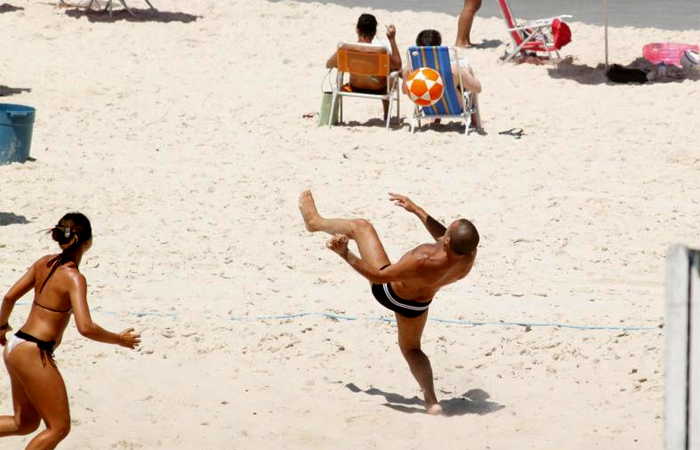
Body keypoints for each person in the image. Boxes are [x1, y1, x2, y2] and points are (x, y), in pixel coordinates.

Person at [299, 190, 479, 415]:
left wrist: (346, 254)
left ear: (448, 240)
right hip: (417, 306)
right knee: (412, 349)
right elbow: (446, 237)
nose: (443, 232)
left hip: (387, 291)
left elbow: (378, 276)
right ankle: (432, 402)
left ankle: (314, 222)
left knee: (362, 226)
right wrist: (417, 210)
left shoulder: (423, 259)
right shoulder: (467, 256)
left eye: (447, 230)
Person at [0, 213, 141, 449]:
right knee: (59, 428)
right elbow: (86, 328)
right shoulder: (75, 278)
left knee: (23, 423)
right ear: (88, 242)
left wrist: (1, 325)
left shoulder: (42, 262)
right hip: (35, 351)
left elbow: (9, 296)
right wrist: (118, 339)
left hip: (15, 346)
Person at [326, 13, 402, 120]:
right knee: (390, 76)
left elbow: (328, 64)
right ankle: (386, 114)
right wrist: (392, 39)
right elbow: (398, 65)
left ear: (357, 30)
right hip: (378, 88)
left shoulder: (346, 48)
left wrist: (339, 62)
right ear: (374, 32)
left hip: (354, 87)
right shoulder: (381, 51)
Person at [408, 29, 482, 128]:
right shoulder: (454, 69)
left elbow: (405, 91)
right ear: (438, 47)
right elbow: (478, 88)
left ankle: (435, 118)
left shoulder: (412, 69)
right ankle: (475, 120)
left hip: (429, 107)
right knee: (465, 74)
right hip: (454, 107)